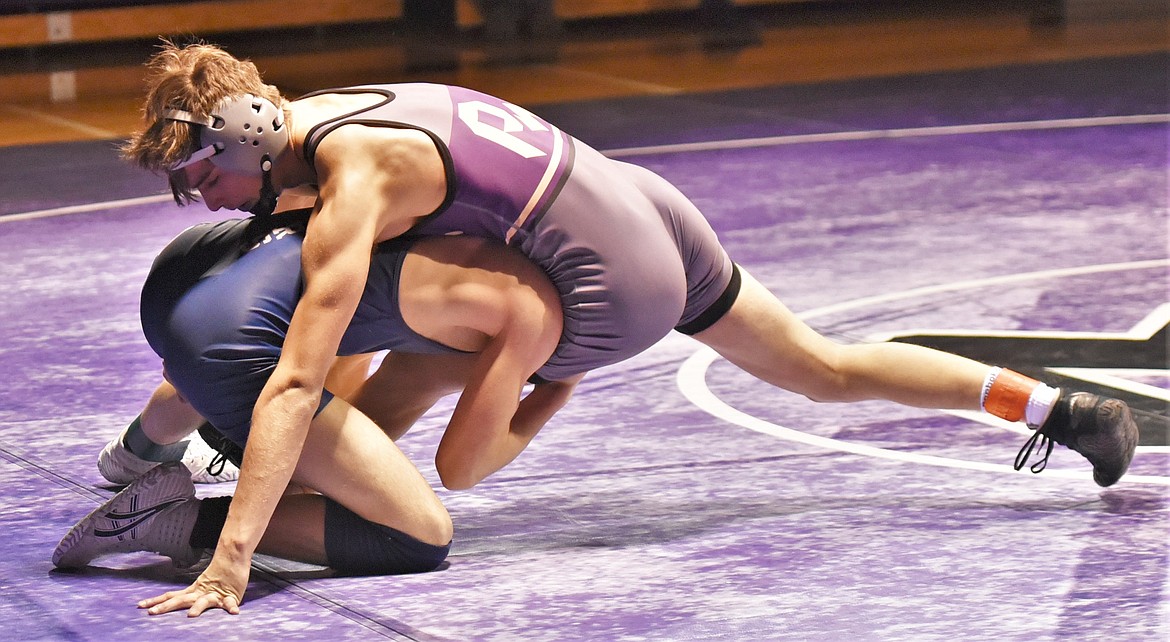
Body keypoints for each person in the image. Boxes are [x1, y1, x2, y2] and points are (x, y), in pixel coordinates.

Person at [115, 40, 1139, 616]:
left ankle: (208, 494)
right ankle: (1055, 407)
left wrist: (235, 557)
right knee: (823, 366)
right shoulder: (331, 111)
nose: (202, 199)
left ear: (246, 132)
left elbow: (303, 370)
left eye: (200, 176)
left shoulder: (353, 180)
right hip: (647, 209)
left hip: (595, 291)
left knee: (339, 340)